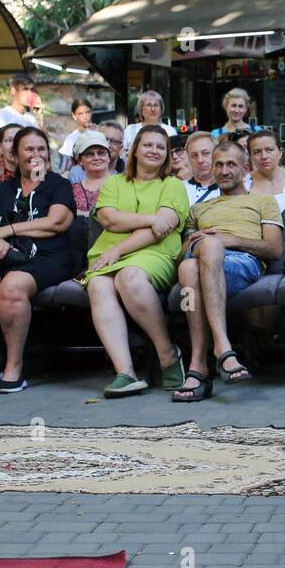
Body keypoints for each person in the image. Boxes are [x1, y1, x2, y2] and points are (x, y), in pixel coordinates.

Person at [0, 126, 75, 394]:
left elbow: (56, 223)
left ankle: (14, 365)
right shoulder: (3, 190)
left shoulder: (58, 185)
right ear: (14, 154)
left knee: (11, 288)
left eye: (41, 149)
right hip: (0, 253)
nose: (36, 154)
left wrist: (8, 231)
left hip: (46, 255)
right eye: (29, 149)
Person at [170, 141, 283, 402]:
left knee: (192, 266)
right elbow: (180, 255)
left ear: (245, 168)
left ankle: (199, 365)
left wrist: (228, 240)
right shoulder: (198, 209)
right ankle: (222, 352)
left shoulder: (264, 202)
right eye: (218, 164)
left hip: (242, 262)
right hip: (204, 258)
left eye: (231, 164)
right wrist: (194, 240)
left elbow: (275, 249)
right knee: (190, 261)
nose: (224, 170)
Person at [83, 124, 189, 398]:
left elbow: (164, 227)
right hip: (106, 254)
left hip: (156, 254)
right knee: (98, 286)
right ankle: (126, 372)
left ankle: (167, 353)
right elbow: (108, 219)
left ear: (166, 155)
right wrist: (151, 220)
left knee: (128, 276)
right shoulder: (115, 182)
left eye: (160, 147)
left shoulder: (173, 186)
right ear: (135, 151)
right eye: (147, 145)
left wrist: (119, 249)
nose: (153, 150)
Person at [245, 130, 285, 213]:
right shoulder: (244, 181)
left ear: (280, 152)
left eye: (270, 150)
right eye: (257, 152)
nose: (264, 156)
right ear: (250, 156)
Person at [69, 130, 111, 216]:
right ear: (80, 160)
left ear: (109, 157)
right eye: (90, 154)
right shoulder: (71, 191)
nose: (96, 157)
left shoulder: (122, 184)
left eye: (101, 153)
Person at [121, 90, 177, 156]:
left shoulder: (170, 131)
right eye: (149, 105)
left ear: (161, 109)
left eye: (156, 105)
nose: (153, 109)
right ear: (141, 109)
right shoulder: (130, 130)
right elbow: (122, 155)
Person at [181, 131, 221, 208]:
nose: (200, 160)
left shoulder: (228, 190)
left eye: (205, 153)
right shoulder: (178, 187)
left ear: (217, 155)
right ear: (189, 159)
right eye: (194, 155)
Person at [57, 98, 95, 168]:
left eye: (87, 112)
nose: (85, 117)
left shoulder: (100, 133)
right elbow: (65, 166)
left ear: (91, 112)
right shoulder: (71, 139)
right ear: (74, 116)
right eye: (80, 114)